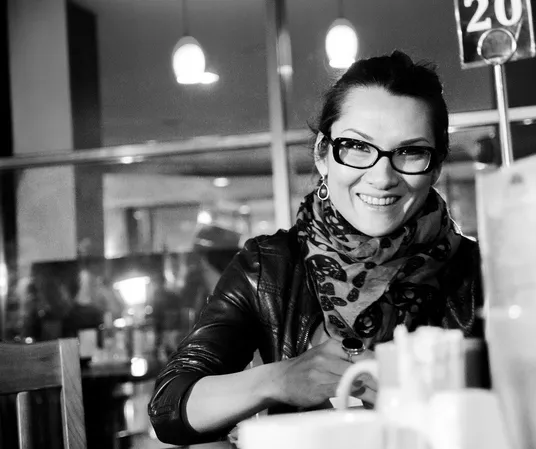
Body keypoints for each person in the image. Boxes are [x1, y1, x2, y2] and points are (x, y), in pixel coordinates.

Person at [148, 50, 483, 445]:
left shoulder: (481, 272)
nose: (382, 176)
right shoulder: (268, 267)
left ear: (436, 166)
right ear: (323, 154)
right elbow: (169, 406)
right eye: (357, 147)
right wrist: (279, 378)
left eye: (411, 152)